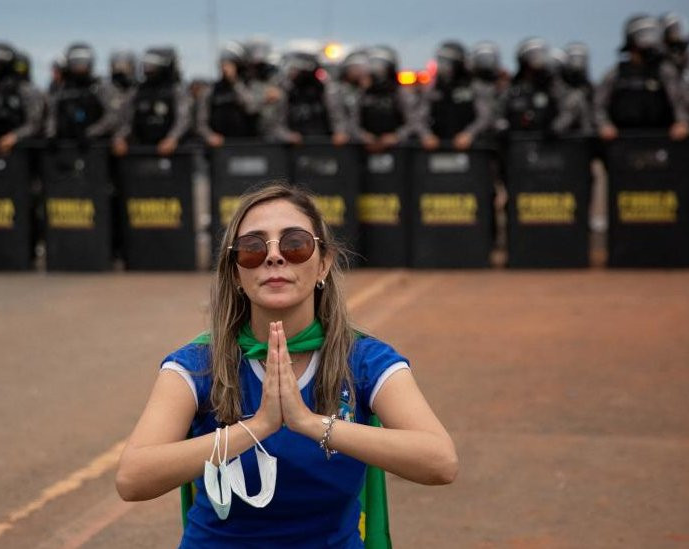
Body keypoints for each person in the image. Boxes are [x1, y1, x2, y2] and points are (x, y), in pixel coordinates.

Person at [115, 183, 458, 548]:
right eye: (252, 248)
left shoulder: (363, 359)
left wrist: (309, 423)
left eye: (295, 244)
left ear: (323, 263)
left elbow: (440, 461)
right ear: (235, 273)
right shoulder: (198, 364)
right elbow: (132, 478)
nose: (274, 257)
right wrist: (257, 427)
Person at [595, 15, 689, 142]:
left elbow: (679, 101)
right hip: (622, 141)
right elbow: (598, 105)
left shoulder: (665, 71)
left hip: (663, 139)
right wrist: (604, 125)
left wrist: (682, 122)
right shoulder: (616, 73)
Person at [497, 37, 588, 136]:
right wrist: (501, 125)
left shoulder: (553, 87)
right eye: (533, 55)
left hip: (551, 145)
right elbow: (498, 111)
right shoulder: (514, 90)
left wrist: (557, 127)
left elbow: (568, 109)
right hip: (516, 144)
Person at [112, 46, 191, 156]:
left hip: (173, 153)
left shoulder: (176, 91)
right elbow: (127, 121)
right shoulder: (136, 91)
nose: (148, 69)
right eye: (147, 65)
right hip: (141, 150)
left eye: (153, 66)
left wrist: (172, 139)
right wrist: (120, 138)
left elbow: (183, 119)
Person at [418, 40, 493, 150]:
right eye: (440, 60)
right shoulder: (433, 88)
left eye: (447, 61)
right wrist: (426, 135)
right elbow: (419, 118)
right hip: (437, 148)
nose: (442, 65)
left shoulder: (474, 86)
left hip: (470, 149)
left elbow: (485, 116)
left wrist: (469, 134)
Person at [264, 50, 350, 145]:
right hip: (294, 147)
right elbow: (275, 123)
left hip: (324, 144)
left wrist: (340, 132)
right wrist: (287, 136)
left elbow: (338, 115)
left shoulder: (325, 90)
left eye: (295, 69)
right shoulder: (286, 90)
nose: (292, 72)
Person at [44, 42, 122, 142]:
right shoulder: (61, 88)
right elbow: (52, 114)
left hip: (96, 145)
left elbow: (112, 116)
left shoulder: (100, 87)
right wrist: (51, 135)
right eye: (76, 62)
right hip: (64, 145)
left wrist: (90, 133)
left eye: (83, 62)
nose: (80, 66)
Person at [354, 45, 418, 152]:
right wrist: (362, 136)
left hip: (399, 150)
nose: (376, 72)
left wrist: (397, 136)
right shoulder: (361, 93)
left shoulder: (400, 93)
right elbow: (352, 120)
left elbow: (413, 121)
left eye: (380, 68)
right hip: (365, 148)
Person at [195, 42, 260, 146]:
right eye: (223, 64)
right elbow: (201, 122)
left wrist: (234, 82)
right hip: (219, 147)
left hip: (245, 145)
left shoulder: (249, 86)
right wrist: (210, 136)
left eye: (229, 64)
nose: (225, 68)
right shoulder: (210, 90)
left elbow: (252, 108)